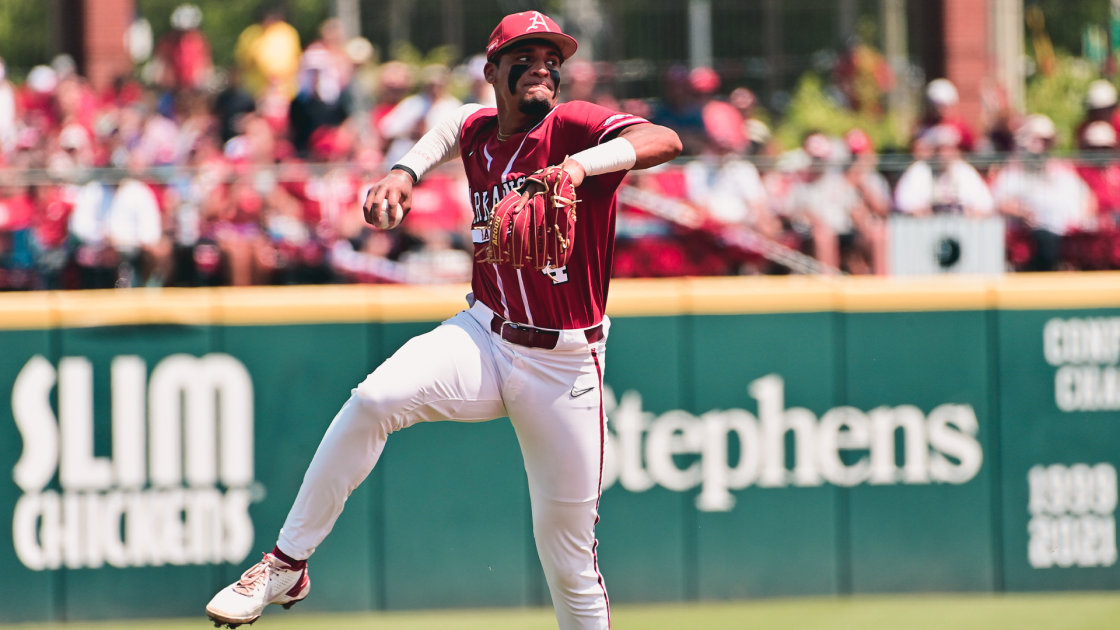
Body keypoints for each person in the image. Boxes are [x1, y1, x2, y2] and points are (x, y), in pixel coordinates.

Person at [204, 11, 682, 630]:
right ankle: (285, 564)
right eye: (525, 57)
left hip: (565, 365)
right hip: (485, 334)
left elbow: (664, 140)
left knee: (568, 562)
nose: (542, 67)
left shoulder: (574, 127)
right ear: (491, 71)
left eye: (551, 61)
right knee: (374, 400)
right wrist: (405, 172)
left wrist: (579, 167)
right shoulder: (480, 130)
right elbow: (456, 126)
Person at [993, 114, 1094, 271]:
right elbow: (997, 202)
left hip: (1066, 239)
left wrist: (1078, 222)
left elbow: (1088, 198)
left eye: (1045, 140)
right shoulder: (1013, 172)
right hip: (1029, 243)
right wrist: (1021, 211)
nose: (1039, 146)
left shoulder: (1063, 171)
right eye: (1035, 139)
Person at [894, 125, 993, 217]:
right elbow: (903, 203)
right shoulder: (918, 170)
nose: (943, 155)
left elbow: (985, 204)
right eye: (939, 149)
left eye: (948, 149)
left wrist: (969, 212)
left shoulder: (965, 171)